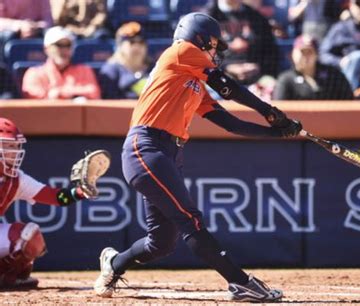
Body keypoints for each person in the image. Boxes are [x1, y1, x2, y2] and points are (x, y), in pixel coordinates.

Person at [93, 12, 302, 302]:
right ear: (199, 37)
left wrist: (279, 133)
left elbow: (231, 124)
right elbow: (228, 86)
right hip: (147, 146)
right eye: (214, 44)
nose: (215, 51)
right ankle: (240, 283)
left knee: (161, 243)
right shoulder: (181, 51)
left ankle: (114, 264)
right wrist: (268, 111)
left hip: (168, 152)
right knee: (191, 220)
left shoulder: (192, 82)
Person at [0, 117, 90, 289]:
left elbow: (55, 197)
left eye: (15, 146)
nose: (14, 151)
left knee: (29, 236)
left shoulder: (16, 179)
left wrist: (80, 191)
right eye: (8, 146)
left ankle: (6, 276)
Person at [204, 0, 279, 85]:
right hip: (218, 76)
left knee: (272, 87)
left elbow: (270, 50)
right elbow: (202, 54)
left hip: (256, 76)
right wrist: (227, 67)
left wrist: (258, 67)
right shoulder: (206, 19)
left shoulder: (256, 17)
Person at [21, 26, 101, 100]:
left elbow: (94, 93)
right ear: (46, 49)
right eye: (59, 45)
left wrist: (61, 92)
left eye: (67, 45)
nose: (64, 50)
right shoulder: (34, 73)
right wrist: (75, 93)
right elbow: (34, 95)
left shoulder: (84, 70)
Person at [273, 34, 353, 100]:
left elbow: (349, 100)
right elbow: (280, 108)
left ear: (316, 55)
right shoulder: (286, 80)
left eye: (310, 52)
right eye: (302, 52)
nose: (306, 57)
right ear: (293, 54)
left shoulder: (333, 76)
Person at [99, 22, 153, 99]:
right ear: (120, 46)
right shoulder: (111, 70)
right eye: (132, 42)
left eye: (141, 42)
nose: (137, 47)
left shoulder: (154, 68)